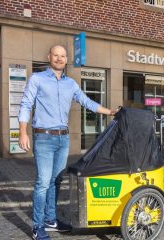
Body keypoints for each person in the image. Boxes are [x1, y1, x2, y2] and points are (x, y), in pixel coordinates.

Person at [18, 45, 116, 240]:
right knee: (43, 183)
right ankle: (37, 226)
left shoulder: (70, 83)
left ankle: (51, 219)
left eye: (63, 56)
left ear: (66, 59)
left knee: (56, 180)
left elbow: (86, 101)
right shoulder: (37, 79)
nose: (59, 58)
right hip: (44, 137)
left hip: (63, 138)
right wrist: (22, 132)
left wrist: (110, 112)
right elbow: (26, 104)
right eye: (56, 55)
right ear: (49, 57)